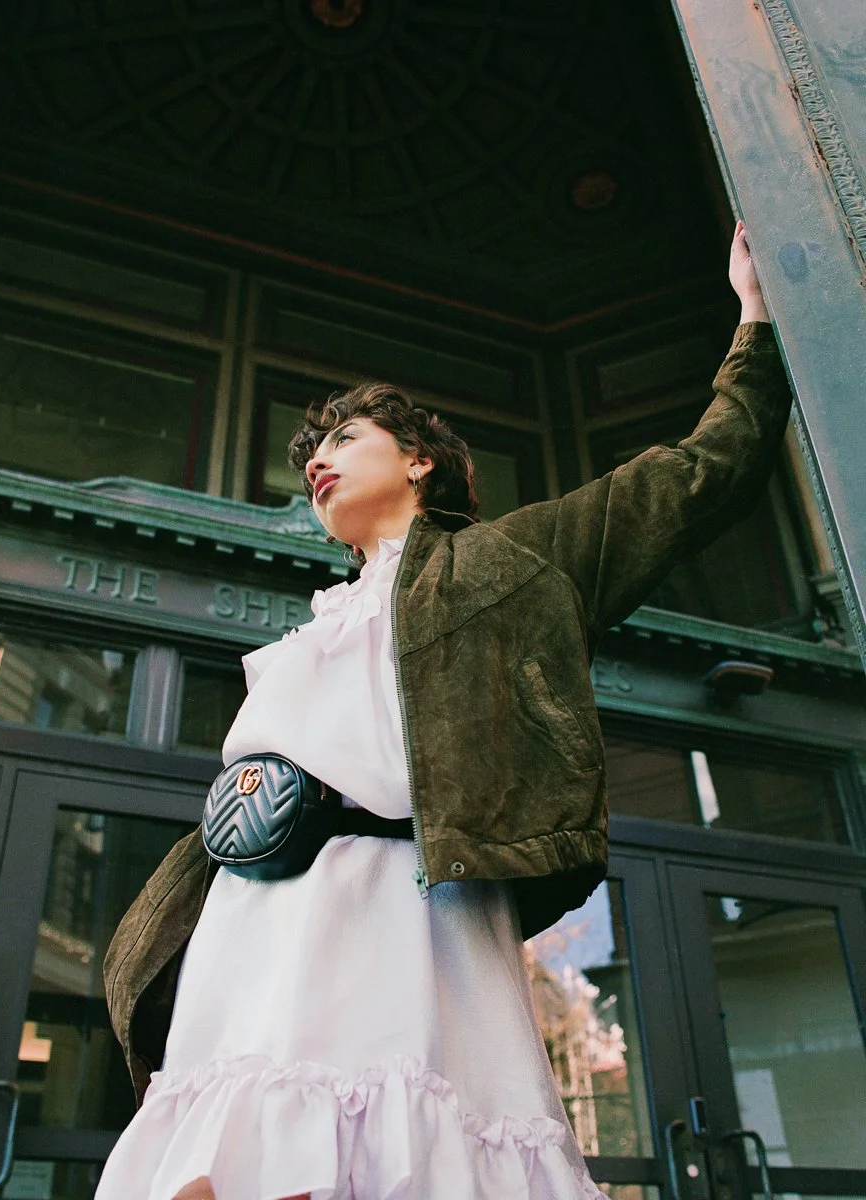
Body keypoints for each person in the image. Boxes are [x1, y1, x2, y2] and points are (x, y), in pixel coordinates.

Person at [95, 222, 790, 1200]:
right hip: (250, 921)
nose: (319, 462)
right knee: (216, 1171)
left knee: (375, 1159)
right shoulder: (319, 625)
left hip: (390, 905)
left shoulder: (508, 565)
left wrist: (755, 319)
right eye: (312, 452)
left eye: (346, 437)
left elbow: (694, 478)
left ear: (420, 460)